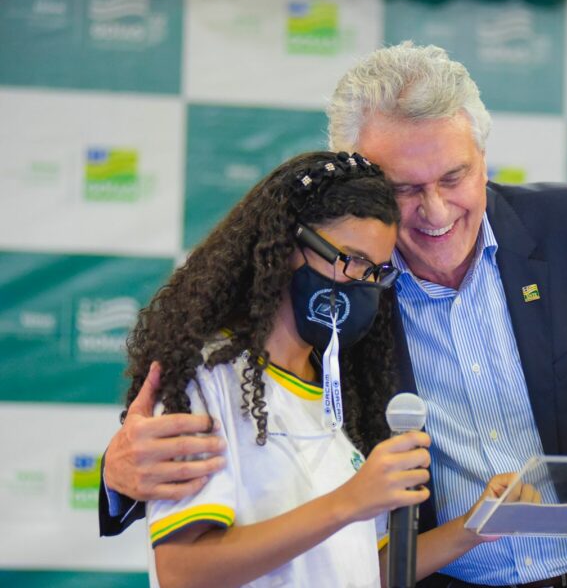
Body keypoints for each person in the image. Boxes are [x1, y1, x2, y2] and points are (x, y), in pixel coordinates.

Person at [101, 44, 567, 587]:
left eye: (454, 177)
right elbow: (231, 392)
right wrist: (119, 475)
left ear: (484, 157)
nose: (435, 212)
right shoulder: (338, 286)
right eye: (405, 189)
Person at [120, 150, 518, 588]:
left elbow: (365, 570)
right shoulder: (207, 377)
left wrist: (473, 527)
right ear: (288, 246)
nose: (363, 284)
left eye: (376, 272)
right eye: (350, 259)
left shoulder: (339, 390)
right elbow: (183, 572)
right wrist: (349, 500)